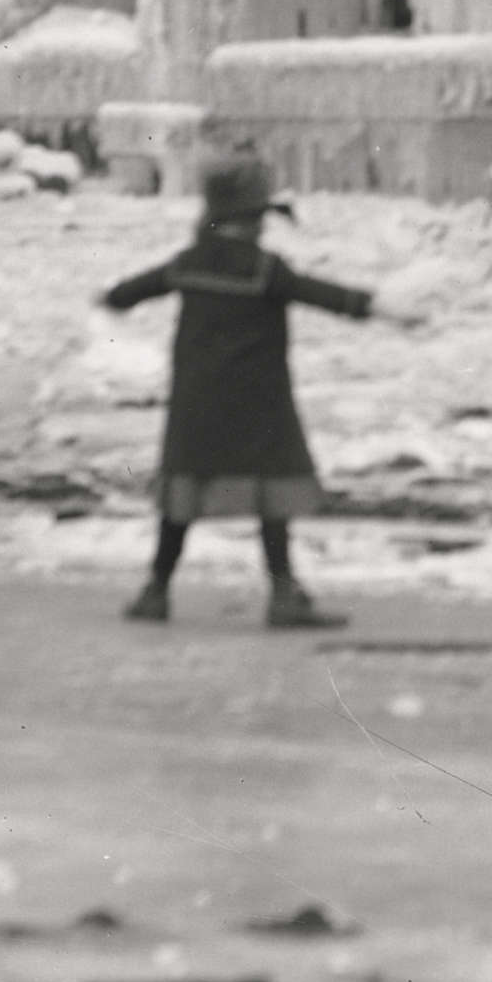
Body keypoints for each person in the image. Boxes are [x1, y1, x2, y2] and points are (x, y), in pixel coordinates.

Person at [103, 155, 379, 630]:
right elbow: (324, 295)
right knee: (272, 502)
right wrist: (377, 306)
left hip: (197, 405)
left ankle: (156, 591)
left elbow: (127, 292)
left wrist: (111, 301)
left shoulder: (188, 264)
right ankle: (284, 594)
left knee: (180, 503)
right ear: (253, 219)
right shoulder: (265, 270)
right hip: (258, 404)